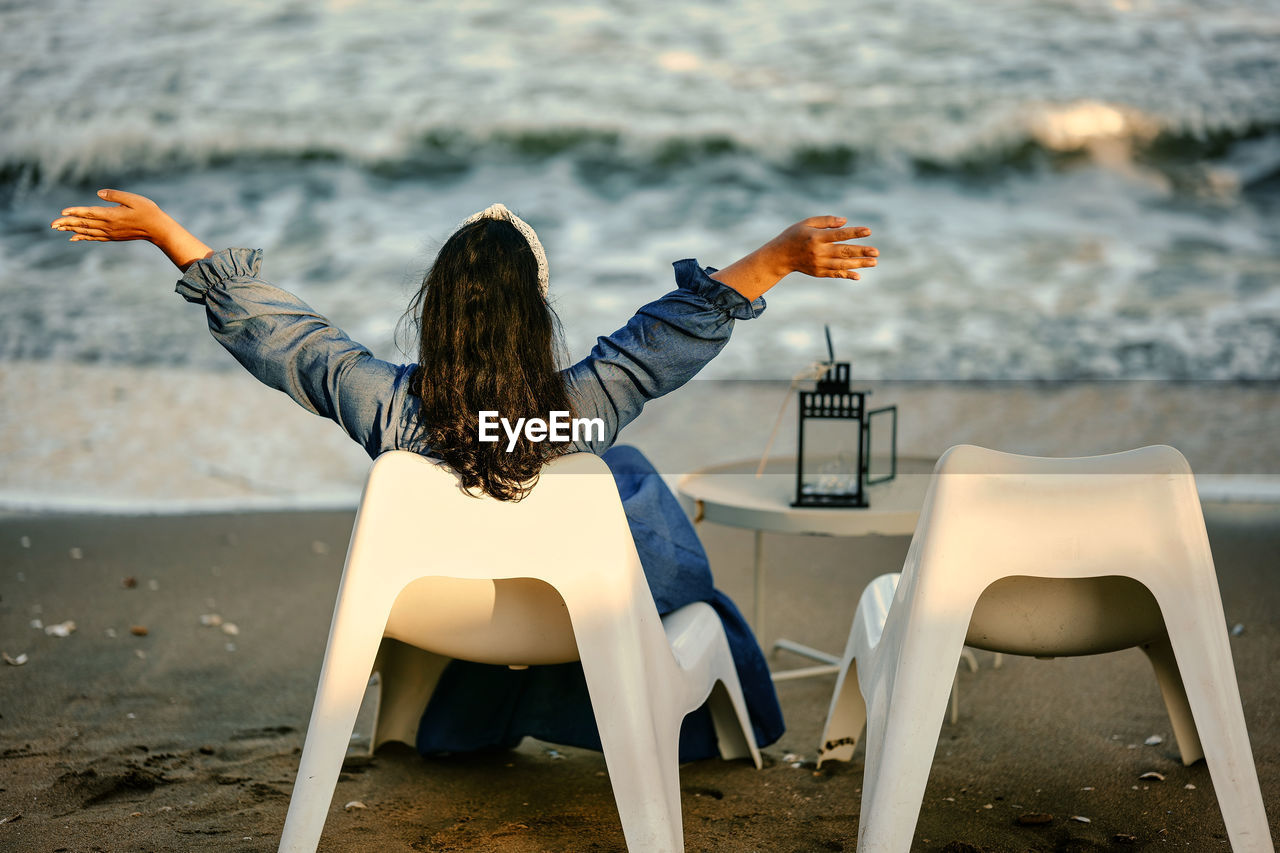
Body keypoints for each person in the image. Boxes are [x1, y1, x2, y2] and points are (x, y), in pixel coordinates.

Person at [50, 189, 878, 759]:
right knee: (622, 475)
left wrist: (170, 236)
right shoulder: (581, 407)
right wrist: (777, 257)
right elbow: (661, 341)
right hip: (569, 621)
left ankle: (429, 718)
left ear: (437, 311)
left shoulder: (388, 407)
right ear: (537, 315)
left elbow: (290, 340)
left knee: (598, 476)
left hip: (442, 617)